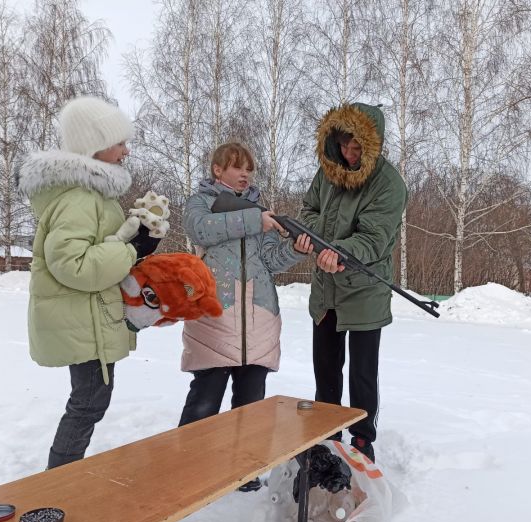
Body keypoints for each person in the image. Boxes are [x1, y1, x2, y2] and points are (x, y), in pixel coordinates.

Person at [16, 96, 159, 469]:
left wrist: (141, 243)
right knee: (87, 403)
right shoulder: (80, 198)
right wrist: (132, 250)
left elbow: (102, 251)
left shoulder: (93, 196)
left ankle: (62, 478)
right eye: (119, 142)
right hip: (82, 322)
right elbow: (72, 264)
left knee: (90, 401)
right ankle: (59, 482)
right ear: (94, 146)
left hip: (89, 319)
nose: (127, 150)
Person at [179, 142, 313, 491]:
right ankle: (185, 470)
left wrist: (295, 250)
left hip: (258, 316)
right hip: (216, 315)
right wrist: (256, 219)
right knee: (205, 397)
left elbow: (270, 261)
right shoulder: (201, 203)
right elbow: (200, 229)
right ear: (217, 170)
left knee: (251, 403)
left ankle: (244, 472)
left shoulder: (259, 210)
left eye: (248, 169)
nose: (244, 174)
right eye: (236, 167)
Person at [299, 103, 408, 463]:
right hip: (325, 291)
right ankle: (327, 437)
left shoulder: (389, 184)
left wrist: (338, 253)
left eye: (357, 147)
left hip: (364, 290)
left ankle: (362, 439)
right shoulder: (327, 172)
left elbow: (374, 238)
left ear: (372, 145)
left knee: (363, 373)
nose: (349, 153)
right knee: (326, 368)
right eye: (344, 145)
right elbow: (309, 211)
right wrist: (308, 238)